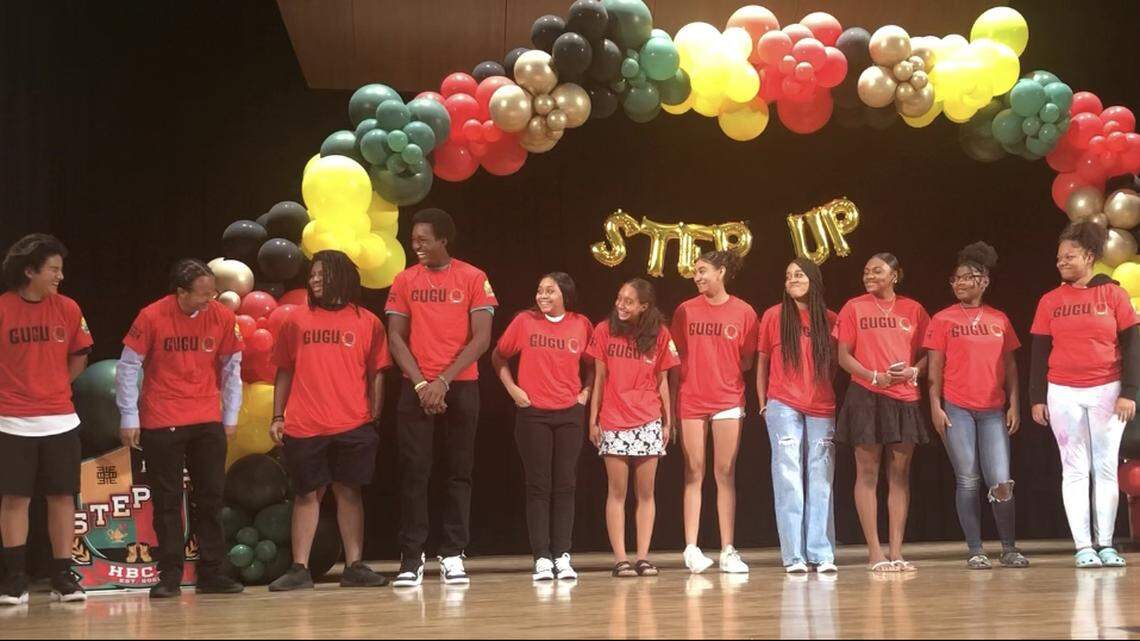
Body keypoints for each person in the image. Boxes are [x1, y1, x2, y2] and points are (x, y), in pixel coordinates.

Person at [117, 259, 246, 598]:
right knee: (167, 500)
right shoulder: (151, 316)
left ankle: (213, 571)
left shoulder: (222, 317)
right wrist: (129, 416)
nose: (210, 299)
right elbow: (128, 367)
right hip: (163, 417)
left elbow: (232, 368)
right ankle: (169, 575)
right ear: (181, 293)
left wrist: (231, 416)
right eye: (203, 294)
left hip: (207, 417)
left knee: (211, 497)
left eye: (213, 292)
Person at [386, 208, 497, 587]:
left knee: (458, 472)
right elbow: (395, 337)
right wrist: (422, 384)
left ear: (443, 240)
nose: (415, 245)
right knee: (414, 472)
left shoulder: (473, 277)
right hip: (416, 387)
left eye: (423, 239)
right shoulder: (404, 279)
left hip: (459, 385)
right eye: (413, 239)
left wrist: (444, 381)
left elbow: (481, 338)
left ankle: (452, 553)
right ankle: (411, 556)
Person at [268, 250, 389, 591]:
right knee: (307, 494)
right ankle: (299, 568)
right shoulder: (296, 319)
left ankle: (354, 566)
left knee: (349, 492)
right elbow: (284, 370)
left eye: (321, 274)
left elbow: (377, 372)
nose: (314, 279)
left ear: (342, 276)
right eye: (312, 274)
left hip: (353, 422)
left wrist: (375, 415)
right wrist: (278, 415)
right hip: (305, 423)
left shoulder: (368, 322)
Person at [1030, 221, 1139, 568]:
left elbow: (1132, 345)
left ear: (1089, 257)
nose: (1061, 262)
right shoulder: (1050, 301)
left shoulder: (1114, 295)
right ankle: (1083, 546)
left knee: (1105, 467)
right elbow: (1039, 351)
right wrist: (1037, 397)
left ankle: (1105, 543)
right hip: (1063, 391)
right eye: (1059, 257)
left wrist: (1130, 391)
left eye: (1069, 256)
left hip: (1107, 389)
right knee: (1074, 469)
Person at [0, 234, 92, 605]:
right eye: (53, 269)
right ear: (29, 271)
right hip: (10, 421)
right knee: (14, 499)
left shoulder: (68, 308)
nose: (60, 276)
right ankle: (15, 579)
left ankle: (62, 576)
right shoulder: (3, 308)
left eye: (60, 269)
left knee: (62, 498)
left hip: (60, 420)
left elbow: (79, 355)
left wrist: (54, 387)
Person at [925, 242, 1028, 570]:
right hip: (957, 408)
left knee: (1001, 480)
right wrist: (935, 406)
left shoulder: (999, 319)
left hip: (993, 409)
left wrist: (1015, 404)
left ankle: (1008, 548)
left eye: (966, 278)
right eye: (955, 279)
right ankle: (975, 549)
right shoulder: (942, 319)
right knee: (968, 478)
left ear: (983, 281)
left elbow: (1010, 366)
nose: (959, 283)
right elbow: (934, 367)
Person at [491, 272, 593, 581]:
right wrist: (513, 390)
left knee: (566, 485)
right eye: (539, 290)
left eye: (550, 291)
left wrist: (585, 393)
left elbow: (594, 364)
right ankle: (542, 558)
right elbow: (498, 356)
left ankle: (562, 555)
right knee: (538, 486)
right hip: (533, 414)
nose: (542, 296)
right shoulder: (524, 321)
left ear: (565, 295)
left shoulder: (581, 324)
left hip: (569, 415)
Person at [834, 253, 930, 573]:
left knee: (899, 475)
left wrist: (914, 371)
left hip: (904, 398)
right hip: (866, 395)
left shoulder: (914, 309)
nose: (869, 276)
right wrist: (873, 376)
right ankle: (875, 552)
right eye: (866, 271)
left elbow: (929, 353)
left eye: (877, 271)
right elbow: (843, 356)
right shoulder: (854, 307)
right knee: (867, 473)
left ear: (894, 275)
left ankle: (897, 552)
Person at [670, 251, 757, 574]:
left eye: (703, 271)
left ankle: (727, 549)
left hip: (728, 399)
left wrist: (722, 374)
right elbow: (676, 358)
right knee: (693, 471)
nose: (697, 277)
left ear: (721, 272)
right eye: (695, 272)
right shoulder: (685, 310)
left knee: (725, 473)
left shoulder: (744, 312)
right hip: (691, 399)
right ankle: (691, 548)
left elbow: (746, 360)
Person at [588, 278, 679, 578]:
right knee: (617, 492)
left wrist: (667, 421)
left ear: (644, 306)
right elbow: (599, 378)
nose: (621, 305)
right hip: (614, 418)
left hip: (648, 418)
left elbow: (663, 381)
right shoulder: (604, 330)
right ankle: (620, 559)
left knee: (646, 493)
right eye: (619, 299)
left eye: (629, 301)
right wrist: (593, 419)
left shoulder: (660, 334)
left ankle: (642, 557)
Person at [755, 258, 838, 574]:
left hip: (821, 405)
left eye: (799, 274)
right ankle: (793, 556)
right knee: (787, 477)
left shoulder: (830, 319)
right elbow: (763, 362)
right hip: (783, 403)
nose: (792, 279)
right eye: (788, 275)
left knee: (820, 478)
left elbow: (835, 364)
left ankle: (820, 553)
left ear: (813, 280)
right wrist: (763, 403)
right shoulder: (773, 316)